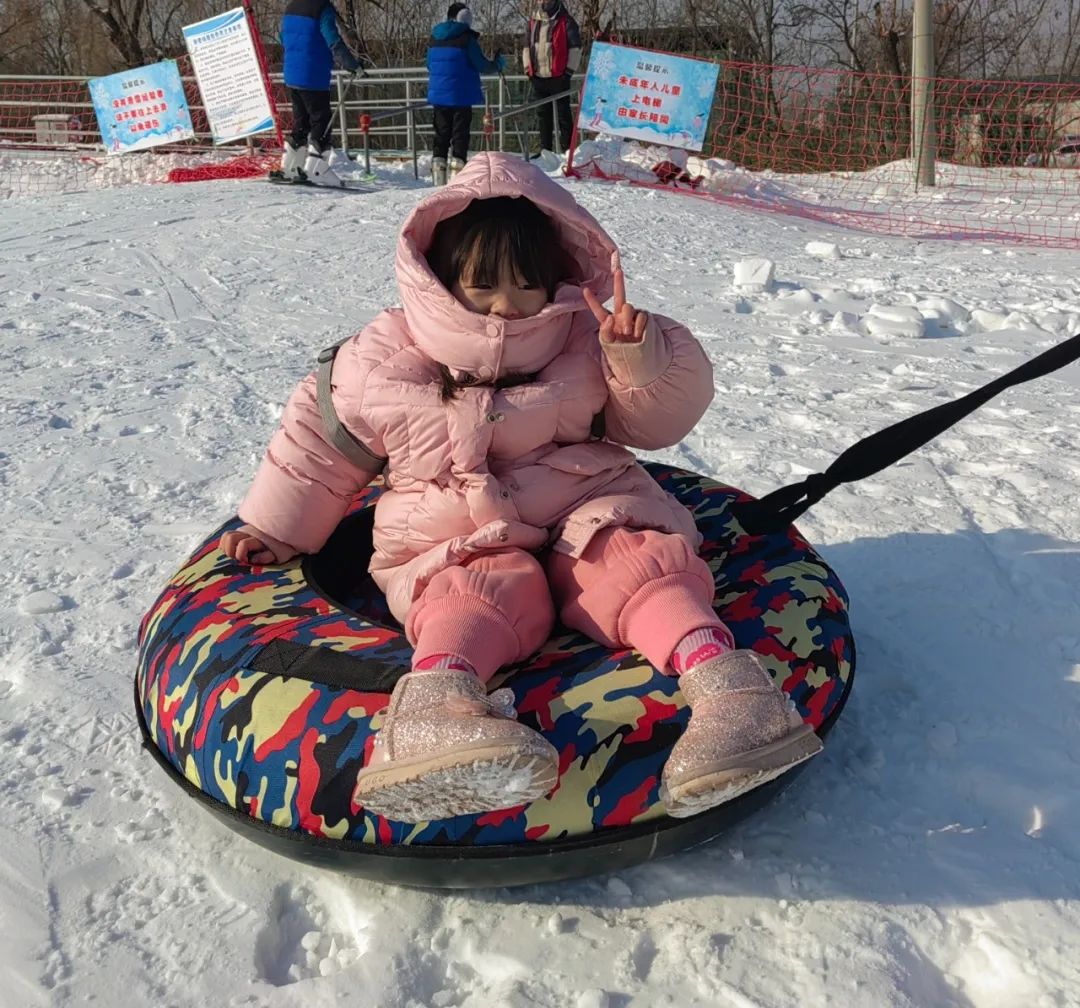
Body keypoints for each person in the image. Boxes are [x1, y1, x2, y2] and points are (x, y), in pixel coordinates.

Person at [222, 153, 822, 824]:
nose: (508, 305)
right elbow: (319, 447)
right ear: (438, 278)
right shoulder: (380, 359)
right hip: (450, 525)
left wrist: (637, 359)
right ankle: (433, 714)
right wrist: (275, 528)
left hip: (581, 502)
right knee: (474, 584)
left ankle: (733, 696)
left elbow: (660, 420)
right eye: (483, 284)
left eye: (527, 284)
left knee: (633, 560)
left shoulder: (584, 340)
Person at [279, 0, 362, 186]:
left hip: (292, 73)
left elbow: (282, 37)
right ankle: (316, 170)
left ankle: (290, 166)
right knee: (321, 121)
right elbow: (332, 39)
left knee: (301, 121)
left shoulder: (291, 7)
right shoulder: (322, 9)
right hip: (313, 75)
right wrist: (351, 65)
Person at [426, 3, 506, 186]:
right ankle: (457, 179)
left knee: (441, 134)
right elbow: (481, 65)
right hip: (461, 96)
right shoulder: (467, 39)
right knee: (460, 135)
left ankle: (438, 179)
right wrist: (498, 64)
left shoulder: (434, 38)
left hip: (439, 95)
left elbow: (429, 64)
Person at [521, 0, 581, 155]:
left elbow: (575, 48)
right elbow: (527, 46)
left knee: (563, 115)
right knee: (543, 115)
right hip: (539, 76)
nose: (542, 2)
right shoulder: (533, 22)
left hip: (559, 76)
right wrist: (529, 70)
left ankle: (568, 152)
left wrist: (568, 72)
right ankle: (545, 151)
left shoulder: (566, 21)